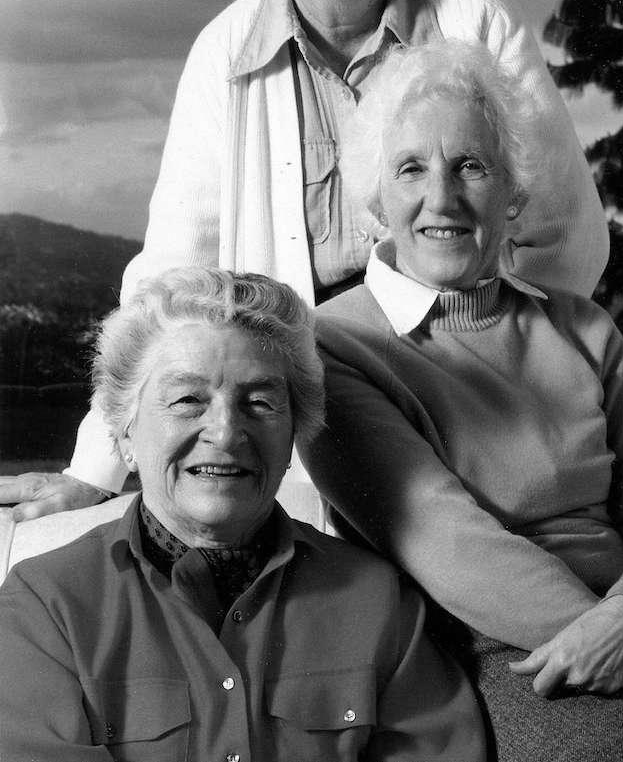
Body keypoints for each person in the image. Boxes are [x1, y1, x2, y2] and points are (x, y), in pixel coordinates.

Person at [0, 0, 608, 521]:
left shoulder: (479, 22)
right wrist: (95, 466)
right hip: (289, 434)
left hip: (471, 419)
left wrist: (484, 382)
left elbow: (567, 242)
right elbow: (170, 281)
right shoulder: (223, 52)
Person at [297, 41, 623, 762]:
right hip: (497, 653)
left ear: (514, 197)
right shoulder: (338, 346)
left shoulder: (583, 327)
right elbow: (455, 551)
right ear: (378, 199)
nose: (441, 197)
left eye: (471, 165)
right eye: (412, 168)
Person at [0, 267, 486, 762]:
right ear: (125, 434)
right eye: (188, 400)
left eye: (260, 402)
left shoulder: (380, 599)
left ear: (296, 430)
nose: (227, 432)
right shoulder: (45, 605)